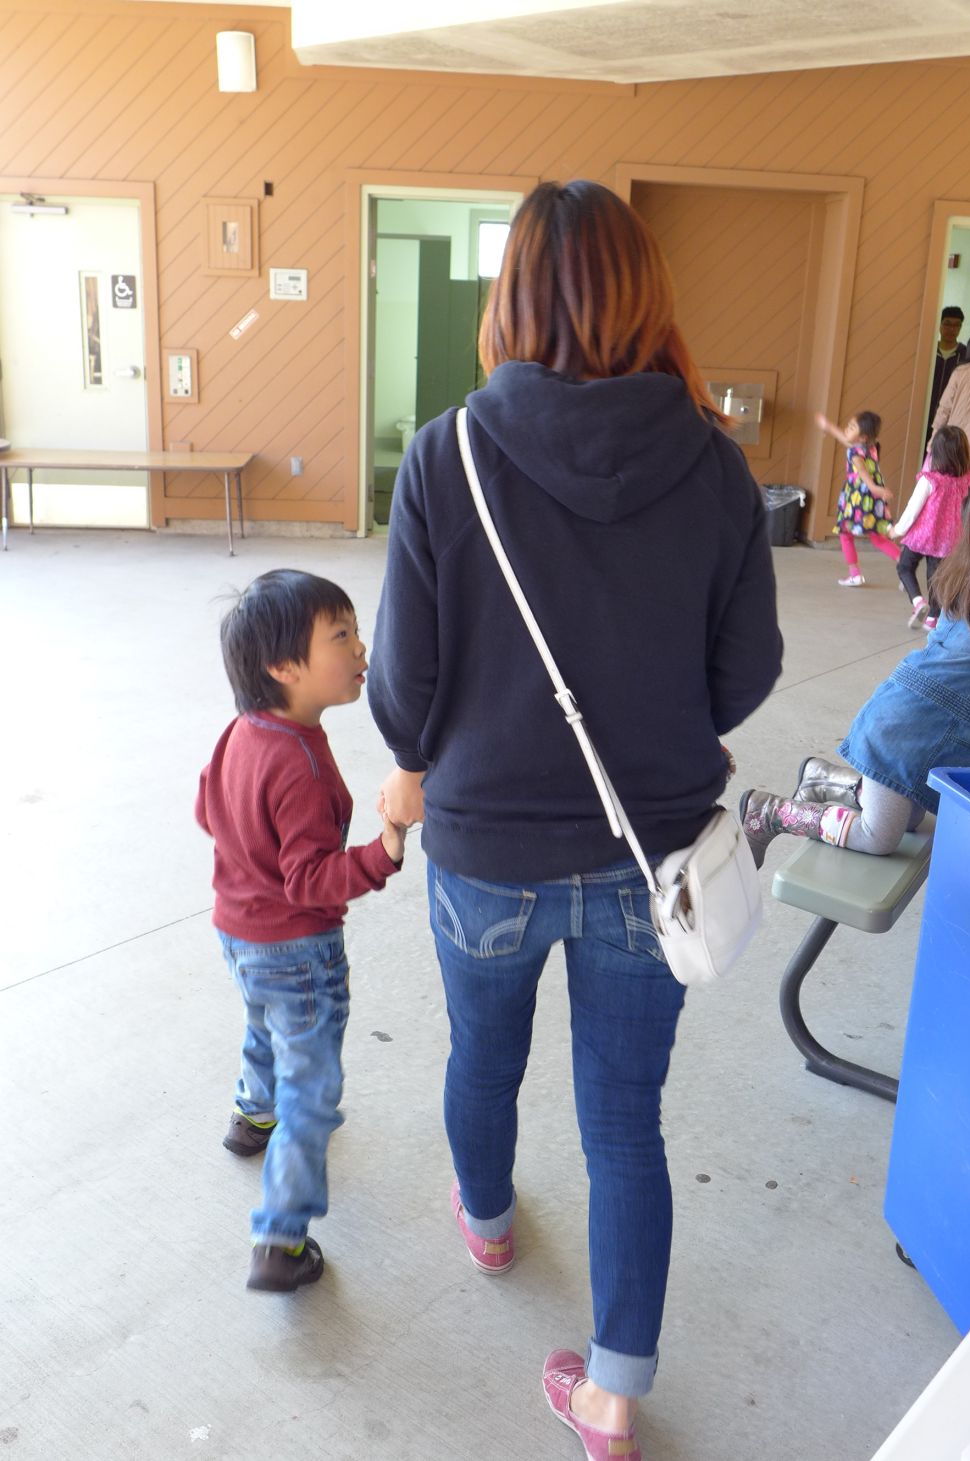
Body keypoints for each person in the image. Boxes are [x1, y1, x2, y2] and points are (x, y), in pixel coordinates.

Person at [367, 180, 782, 1461]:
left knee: (481, 1061)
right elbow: (747, 671)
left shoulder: (447, 454)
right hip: (653, 860)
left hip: (484, 852)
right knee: (624, 1123)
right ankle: (612, 1397)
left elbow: (403, 693)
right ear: (646, 292)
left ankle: (488, 1223)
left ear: (510, 298)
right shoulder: (715, 463)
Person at [195, 570, 405, 1292]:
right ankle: (280, 1240)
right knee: (310, 1089)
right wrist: (384, 850)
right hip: (297, 948)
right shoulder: (301, 764)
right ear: (283, 667)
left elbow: (206, 809)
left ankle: (252, 1115)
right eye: (340, 636)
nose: (361, 649)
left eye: (356, 631)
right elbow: (311, 881)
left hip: (238, 931)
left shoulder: (241, 731)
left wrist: (250, 855)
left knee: (264, 1024)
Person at [740, 502, 970, 865]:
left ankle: (822, 777)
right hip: (899, 733)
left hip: (908, 721)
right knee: (878, 837)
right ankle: (770, 812)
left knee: (910, 818)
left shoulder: (961, 580)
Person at [889, 425, 970, 631]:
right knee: (936, 578)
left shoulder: (929, 480)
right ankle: (933, 617)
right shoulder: (966, 481)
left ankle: (918, 602)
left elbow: (912, 509)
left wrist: (898, 530)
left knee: (905, 566)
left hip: (922, 536)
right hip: (949, 540)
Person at [814, 409, 899, 586]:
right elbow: (843, 437)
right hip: (873, 498)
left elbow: (861, 470)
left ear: (863, 437)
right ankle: (905, 566)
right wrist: (828, 426)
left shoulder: (854, 452)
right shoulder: (871, 447)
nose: (847, 429)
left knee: (845, 533)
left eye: (852, 427)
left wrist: (873, 487)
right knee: (878, 537)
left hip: (858, 497)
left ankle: (855, 574)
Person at [926, 306, 965, 442]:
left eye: (956, 325)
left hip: (951, 422)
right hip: (924, 415)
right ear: (940, 324)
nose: (951, 329)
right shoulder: (928, 350)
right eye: (947, 324)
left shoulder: (965, 355)